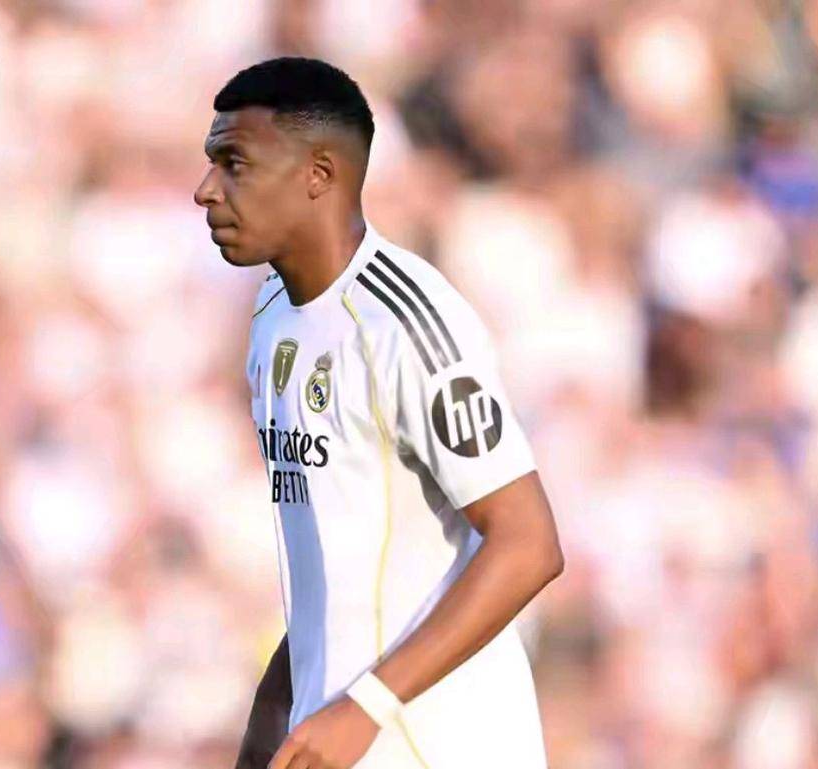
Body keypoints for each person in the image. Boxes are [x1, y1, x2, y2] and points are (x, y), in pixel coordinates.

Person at [193, 57, 564, 769]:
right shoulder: (274, 318)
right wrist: (267, 731)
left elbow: (529, 544)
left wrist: (366, 706)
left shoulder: (409, 325)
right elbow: (329, 584)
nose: (206, 189)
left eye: (235, 164)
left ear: (318, 175)